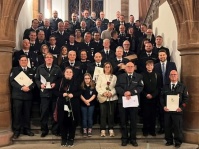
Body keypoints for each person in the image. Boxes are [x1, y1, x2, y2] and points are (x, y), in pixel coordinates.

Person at [115, 62, 144, 147]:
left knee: (133, 121)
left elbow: (140, 87)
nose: (130, 68)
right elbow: (117, 87)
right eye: (128, 66)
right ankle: (124, 139)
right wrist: (124, 93)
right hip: (123, 101)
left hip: (133, 101)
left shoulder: (139, 77)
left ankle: (133, 139)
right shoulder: (120, 77)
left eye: (131, 66)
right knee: (123, 121)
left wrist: (130, 92)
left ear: (134, 67)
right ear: (125, 68)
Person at [35, 53, 62, 137]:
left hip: (54, 94)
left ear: (53, 59)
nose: (49, 59)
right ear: (45, 59)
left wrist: (55, 84)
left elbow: (60, 78)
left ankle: (55, 130)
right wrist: (40, 85)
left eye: (51, 57)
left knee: (55, 113)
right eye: (47, 57)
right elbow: (36, 78)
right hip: (44, 94)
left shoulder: (57, 68)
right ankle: (44, 130)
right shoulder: (40, 68)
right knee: (44, 113)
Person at [160, 70, 189, 148]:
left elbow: (186, 99)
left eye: (175, 74)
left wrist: (181, 107)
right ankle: (169, 141)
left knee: (177, 127)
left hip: (177, 111)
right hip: (167, 111)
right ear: (169, 76)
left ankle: (178, 142)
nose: (173, 76)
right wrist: (163, 106)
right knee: (167, 126)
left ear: (177, 76)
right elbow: (161, 98)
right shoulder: (165, 86)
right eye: (171, 75)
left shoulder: (183, 86)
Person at [54, 67, 81, 147]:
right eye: (67, 72)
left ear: (72, 74)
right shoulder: (59, 81)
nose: (68, 73)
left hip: (73, 104)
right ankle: (64, 138)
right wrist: (62, 94)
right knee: (63, 121)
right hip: (62, 103)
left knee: (72, 121)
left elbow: (80, 91)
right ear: (64, 73)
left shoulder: (76, 82)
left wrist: (74, 95)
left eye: (70, 72)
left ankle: (71, 138)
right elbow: (54, 91)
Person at [10, 55, 35, 139]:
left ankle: (27, 129)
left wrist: (30, 87)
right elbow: (12, 82)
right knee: (17, 114)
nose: (24, 62)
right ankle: (17, 131)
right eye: (22, 60)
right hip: (18, 96)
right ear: (19, 61)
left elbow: (34, 82)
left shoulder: (31, 70)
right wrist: (21, 87)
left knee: (27, 114)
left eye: (25, 60)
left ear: (27, 61)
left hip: (28, 96)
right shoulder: (15, 70)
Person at [154, 49, 177, 134]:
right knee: (161, 110)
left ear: (166, 55)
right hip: (159, 90)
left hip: (170, 90)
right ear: (158, 56)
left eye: (163, 55)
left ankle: (170, 128)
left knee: (170, 109)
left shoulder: (172, 64)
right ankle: (162, 127)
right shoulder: (155, 66)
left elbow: (175, 76)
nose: (162, 56)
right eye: (160, 55)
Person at [96, 62, 118, 137]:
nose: (107, 68)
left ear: (111, 68)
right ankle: (103, 130)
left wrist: (111, 93)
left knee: (111, 114)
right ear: (104, 68)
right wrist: (103, 93)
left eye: (109, 67)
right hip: (103, 98)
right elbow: (97, 87)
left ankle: (111, 129)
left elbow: (116, 87)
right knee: (103, 114)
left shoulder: (114, 77)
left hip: (112, 98)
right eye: (106, 67)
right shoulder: (100, 76)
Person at [141, 60, 161, 137]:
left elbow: (159, 87)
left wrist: (153, 95)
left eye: (151, 65)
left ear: (153, 66)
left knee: (153, 115)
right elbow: (141, 87)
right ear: (146, 66)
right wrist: (146, 94)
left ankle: (152, 130)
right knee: (145, 115)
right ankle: (145, 130)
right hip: (144, 98)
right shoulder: (142, 75)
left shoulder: (157, 75)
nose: (150, 67)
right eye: (148, 65)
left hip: (154, 98)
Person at [80, 73, 97, 137]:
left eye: (88, 78)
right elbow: (80, 95)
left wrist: (88, 101)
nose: (87, 80)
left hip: (91, 104)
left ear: (90, 79)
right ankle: (84, 130)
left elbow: (94, 95)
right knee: (84, 118)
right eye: (85, 78)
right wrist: (85, 101)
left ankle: (90, 129)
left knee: (90, 117)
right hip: (83, 104)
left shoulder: (93, 87)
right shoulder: (82, 87)